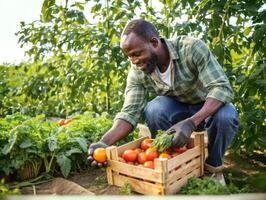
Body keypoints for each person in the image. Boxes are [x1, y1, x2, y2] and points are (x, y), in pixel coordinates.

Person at [87, 19, 239, 185]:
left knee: (226, 117)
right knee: (154, 109)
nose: (133, 61)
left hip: (208, 106)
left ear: (154, 42)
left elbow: (221, 88)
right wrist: (104, 141)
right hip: (177, 108)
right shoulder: (138, 71)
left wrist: (191, 123)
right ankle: (172, 163)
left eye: (136, 54)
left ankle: (212, 168)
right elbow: (129, 113)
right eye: (129, 56)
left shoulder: (191, 48)